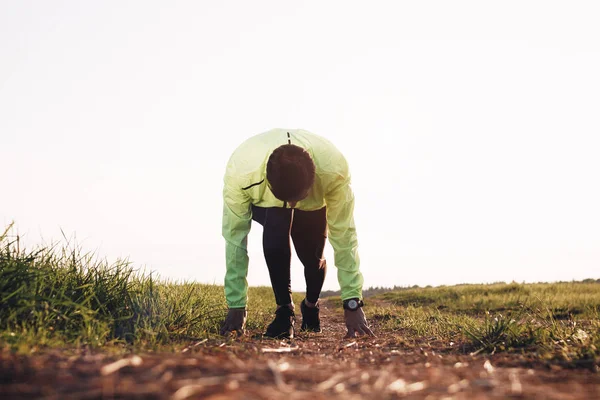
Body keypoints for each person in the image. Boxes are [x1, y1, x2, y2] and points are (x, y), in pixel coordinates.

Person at [219, 128, 374, 339]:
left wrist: (352, 301)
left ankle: (311, 304)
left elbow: (344, 237)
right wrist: (236, 304)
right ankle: (284, 310)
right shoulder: (241, 172)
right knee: (276, 226)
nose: (292, 206)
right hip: (265, 199)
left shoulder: (333, 170)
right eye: (287, 199)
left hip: (314, 204)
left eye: (297, 199)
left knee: (313, 258)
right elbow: (235, 238)